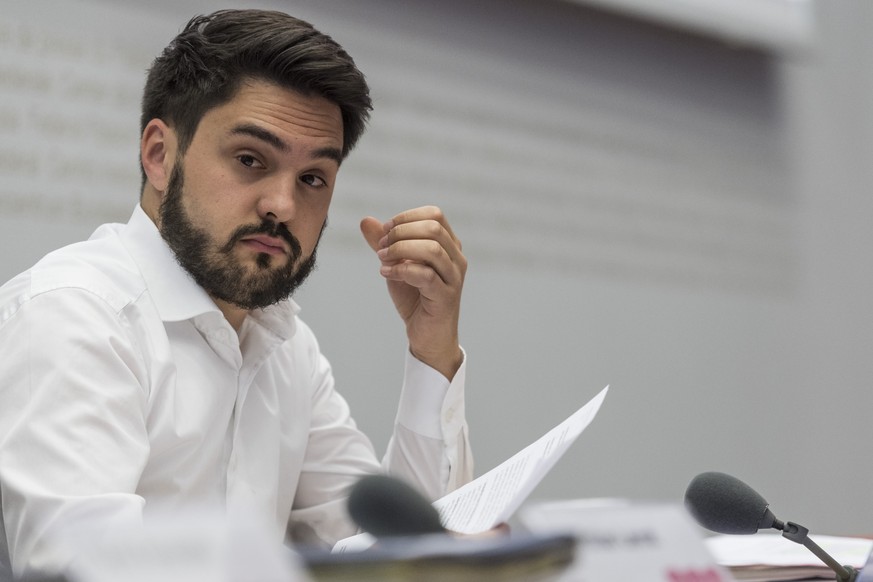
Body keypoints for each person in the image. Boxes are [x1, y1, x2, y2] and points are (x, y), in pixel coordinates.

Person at [0, 9, 473, 578]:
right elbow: (82, 571)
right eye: (251, 160)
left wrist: (431, 349)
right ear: (159, 155)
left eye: (312, 178)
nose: (283, 205)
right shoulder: (75, 316)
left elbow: (405, 555)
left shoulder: (284, 345)